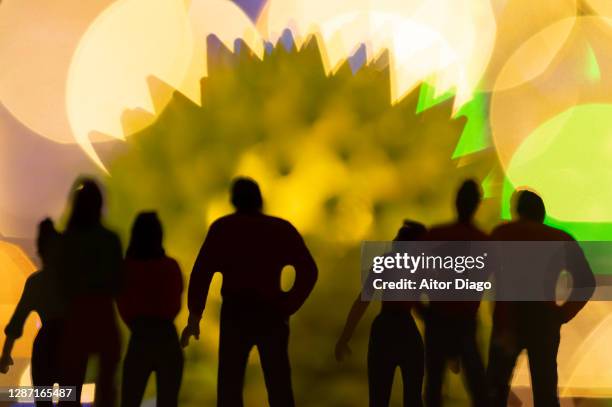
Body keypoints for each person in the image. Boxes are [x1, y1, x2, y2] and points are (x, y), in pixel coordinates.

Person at [181, 177, 318, 407]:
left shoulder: (223, 229)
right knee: (279, 385)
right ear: (260, 199)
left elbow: (201, 274)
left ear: (233, 200)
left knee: (229, 387)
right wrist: (288, 304)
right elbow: (309, 271)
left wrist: (195, 316)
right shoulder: (280, 229)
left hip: (236, 313)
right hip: (271, 314)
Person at [487, 190, 595, 406]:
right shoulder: (560, 239)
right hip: (544, 321)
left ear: (517, 211)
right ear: (542, 213)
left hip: (507, 319)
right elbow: (586, 282)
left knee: (494, 391)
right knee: (545, 390)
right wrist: (563, 313)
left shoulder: (502, 233)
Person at [335, 221, 427, 407]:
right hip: (403, 330)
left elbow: (363, 301)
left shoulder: (387, 263)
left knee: (379, 398)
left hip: (386, 330)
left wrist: (345, 336)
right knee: (412, 399)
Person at [422, 180, 489, 407]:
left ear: (456, 202)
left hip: (437, 318)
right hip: (465, 322)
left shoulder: (435, 235)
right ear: (477, 205)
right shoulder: (483, 240)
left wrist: (422, 311)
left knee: (433, 386)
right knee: (478, 388)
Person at [57, 179, 123, 407]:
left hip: (75, 318)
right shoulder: (110, 240)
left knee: (70, 387)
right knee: (106, 386)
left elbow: (60, 284)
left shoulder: (66, 242)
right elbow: (118, 283)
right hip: (103, 314)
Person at [118, 212, 184, 407]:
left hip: (140, 338)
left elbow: (122, 302)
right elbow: (176, 303)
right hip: (168, 339)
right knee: (168, 401)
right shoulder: (171, 266)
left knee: (130, 400)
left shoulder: (126, 268)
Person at [0, 219, 65, 407]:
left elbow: (16, 323)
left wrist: (5, 356)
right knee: (71, 399)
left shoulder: (35, 283)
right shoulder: (72, 282)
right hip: (70, 345)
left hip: (44, 347)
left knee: (43, 401)